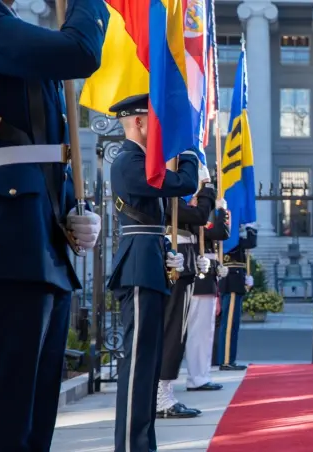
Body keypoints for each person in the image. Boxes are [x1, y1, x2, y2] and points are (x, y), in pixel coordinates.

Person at [0, 0, 107, 450]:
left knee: (34, 423)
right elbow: (79, 51)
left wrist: (72, 209)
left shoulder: (13, 28)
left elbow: (39, 145)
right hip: (9, 245)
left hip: (37, 242)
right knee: (7, 420)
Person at [106, 93, 200, 452]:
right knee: (138, 363)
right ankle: (131, 445)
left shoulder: (141, 161)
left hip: (150, 261)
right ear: (138, 122)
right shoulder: (130, 162)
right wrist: (188, 148)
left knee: (149, 361)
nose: (162, 129)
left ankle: (142, 443)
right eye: (156, 121)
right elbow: (183, 183)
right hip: (139, 266)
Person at [155, 164, 217, 419]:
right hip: (171, 259)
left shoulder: (176, 199)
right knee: (170, 331)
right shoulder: (166, 195)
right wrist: (208, 189)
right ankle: (160, 396)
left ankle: (164, 392)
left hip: (184, 258)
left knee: (176, 333)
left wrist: (197, 257)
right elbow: (200, 215)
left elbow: (196, 224)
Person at [187, 181, 230, 389]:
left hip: (207, 275)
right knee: (199, 331)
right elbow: (217, 232)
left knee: (205, 331)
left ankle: (201, 375)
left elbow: (222, 234)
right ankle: (197, 377)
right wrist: (220, 213)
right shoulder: (193, 215)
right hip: (199, 277)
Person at [217, 223, 257, 371]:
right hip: (232, 282)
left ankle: (229, 359)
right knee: (229, 325)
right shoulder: (229, 240)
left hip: (235, 280)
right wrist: (251, 227)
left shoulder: (232, 239)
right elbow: (251, 242)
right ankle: (226, 360)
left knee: (232, 324)